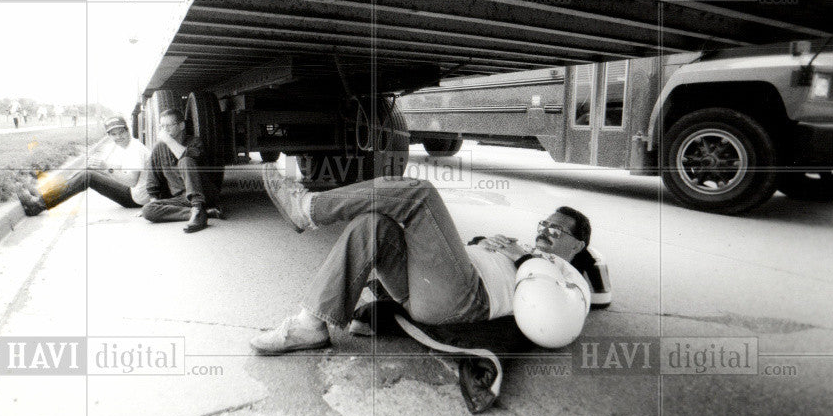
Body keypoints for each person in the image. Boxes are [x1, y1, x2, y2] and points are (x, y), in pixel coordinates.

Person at [251, 166, 592, 355]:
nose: (546, 231)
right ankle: (309, 324)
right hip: (429, 287)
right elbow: (463, 252)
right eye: (544, 224)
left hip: (464, 298)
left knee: (420, 193)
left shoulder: (568, 273)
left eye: (557, 230)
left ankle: (310, 209)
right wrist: (485, 243)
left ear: (578, 245)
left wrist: (520, 259)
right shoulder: (520, 247)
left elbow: (555, 311)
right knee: (374, 224)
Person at [16, 116, 151, 215]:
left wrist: (106, 168)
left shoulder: (135, 149)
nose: (118, 137)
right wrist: (102, 166)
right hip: (135, 191)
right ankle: (43, 195)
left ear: (127, 131)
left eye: (121, 132)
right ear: (109, 136)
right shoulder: (129, 146)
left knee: (87, 176)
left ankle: (38, 205)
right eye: (113, 134)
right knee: (89, 170)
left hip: (136, 198)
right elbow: (123, 169)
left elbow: (132, 181)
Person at [142, 107, 221, 233]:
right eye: (162, 126)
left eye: (169, 125)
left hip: (204, 194)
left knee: (185, 160)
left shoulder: (195, 142)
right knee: (147, 210)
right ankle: (200, 213)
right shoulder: (159, 148)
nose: (165, 130)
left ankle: (198, 207)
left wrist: (168, 140)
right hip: (182, 199)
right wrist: (154, 203)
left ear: (181, 125)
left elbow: (185, 156)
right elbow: (153, 179)